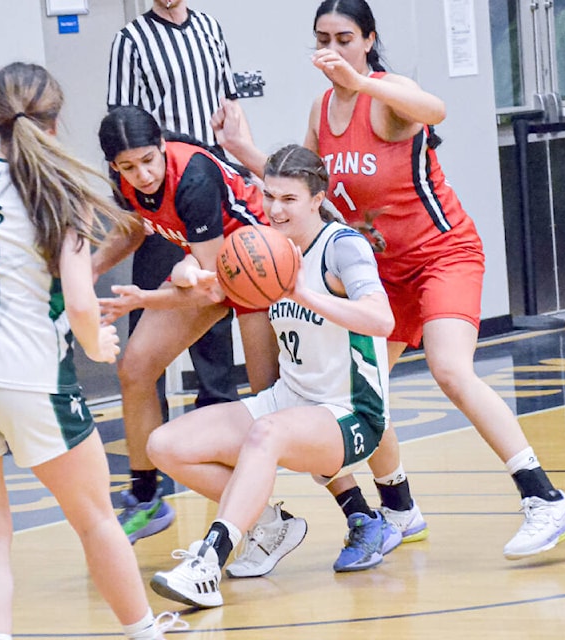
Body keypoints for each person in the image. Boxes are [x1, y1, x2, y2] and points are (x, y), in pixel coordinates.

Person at [212, 0, 565, 567]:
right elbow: (312, 192)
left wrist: (364, 81)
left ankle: (544, 497)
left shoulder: (385, 98)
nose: (332, 48)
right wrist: (246, 153)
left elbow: (435, 109)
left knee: (450, 369)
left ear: (368, 40)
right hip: (381, 272)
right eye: (323, 37)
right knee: (358, 395)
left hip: (442, 254)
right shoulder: (321, 108)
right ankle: (400, 509)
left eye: (345, 37)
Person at [0, 62, 183, 640]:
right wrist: (96, 340)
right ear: (56, 121)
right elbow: (84, 304)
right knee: (96, 521)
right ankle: (143, 632)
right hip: (28, 370)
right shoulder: (60, 188)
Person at [145, 144, 395, 609]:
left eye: (289, 200)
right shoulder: (264, 246)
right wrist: (171, 281)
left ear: (316, 198)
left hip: (351, 415)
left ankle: (206, 564)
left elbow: (381, 321)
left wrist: (304, 293)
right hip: (291, 400)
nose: (275, 210)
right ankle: (270, 527)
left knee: (266, 433)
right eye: (270, 197)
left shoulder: (343, 247)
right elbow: (206, 272)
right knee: (164, 446)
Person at [93, 105, 301, 548]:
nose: (142, 175)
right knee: (134, 371)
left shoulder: (193, 176)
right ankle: (147, 498)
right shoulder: (127, 179)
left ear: (162, 147)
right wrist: (88, 269)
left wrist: (145, 298)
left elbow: (212, 287)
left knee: (278, 404)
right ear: (114, 166)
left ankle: (363, 507)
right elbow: (135, 229)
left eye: (148, 161)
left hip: (259, 260)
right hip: (216, 263)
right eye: (128, 167)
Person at [106, 0, 241, 435]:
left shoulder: (211, 28)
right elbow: (126, 126)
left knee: (211, 301)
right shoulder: (131, 41)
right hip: (159, 185)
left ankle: (216, 415)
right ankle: (151, 428)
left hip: (206, 179)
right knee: (151, 306)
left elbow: (230, 110)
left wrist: (240, 162)